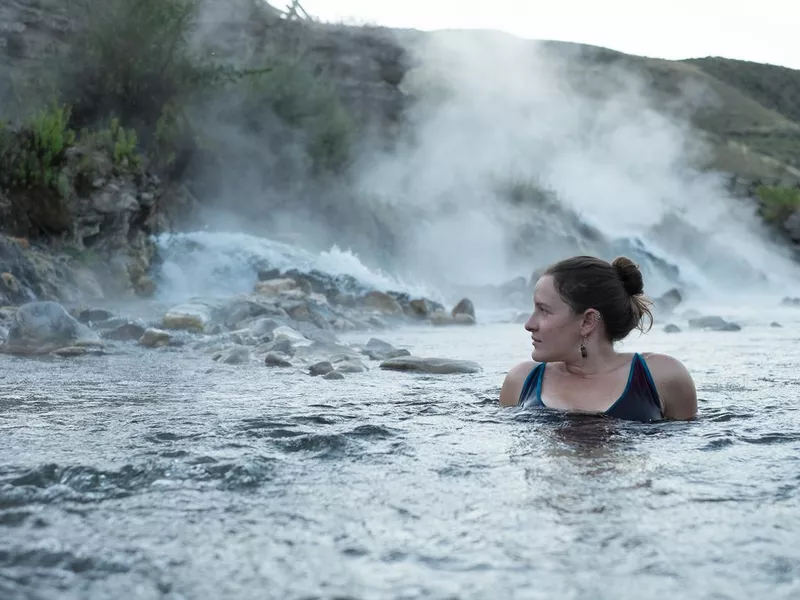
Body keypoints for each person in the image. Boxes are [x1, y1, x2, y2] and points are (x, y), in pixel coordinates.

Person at [499, 255, 697, 421]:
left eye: (544, 310)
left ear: (587, 321)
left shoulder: (661, 377)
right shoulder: (521, 382)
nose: (529, 324)